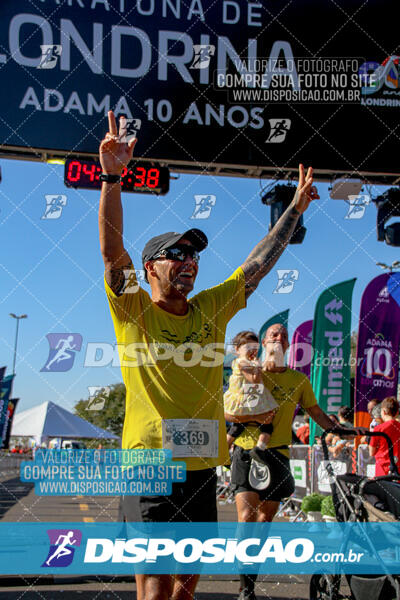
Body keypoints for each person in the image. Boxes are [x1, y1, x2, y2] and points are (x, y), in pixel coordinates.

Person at [99, 110, 319, 600]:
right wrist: (113, 178)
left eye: (194, 255)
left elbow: (257, 265)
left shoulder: (211, 307)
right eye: (176, 254)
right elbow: (113, 253)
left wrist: (295, 210)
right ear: (151, 267)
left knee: (187, 582)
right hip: (150, 465)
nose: (188, 263)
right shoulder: (132, 308)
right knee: (154, 584)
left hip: (199, 463)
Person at [225, 324, 340, 600]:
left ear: (288, 346)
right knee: (247, 517)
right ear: (264, 342)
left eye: (284, 336)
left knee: (264, 521)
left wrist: (341, 430)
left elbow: (315, 413)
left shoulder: (298, 380)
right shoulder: (246, 370)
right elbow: (227, 412)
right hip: (246, 451)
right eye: (274, 334)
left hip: (278, 454)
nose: (279, 338)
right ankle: (245, 586)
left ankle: (251, 571)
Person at [224, 331, 278, 461]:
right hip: (244, 398)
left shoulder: (249, 362)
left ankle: (256, 449)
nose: (252, 351)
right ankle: (259, 448)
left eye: (255, 348)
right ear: (237, 349)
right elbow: (254, 380)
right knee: (265, 425)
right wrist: (258, 367)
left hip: (251, 396)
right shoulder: (242, 362)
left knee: (237, 428)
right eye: (248, 347)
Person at [369, 397, 400, 476]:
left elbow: (371, 452)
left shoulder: (378, 428)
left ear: (384, 412)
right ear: (397, 412)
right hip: (398, 468)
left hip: (382, 467)